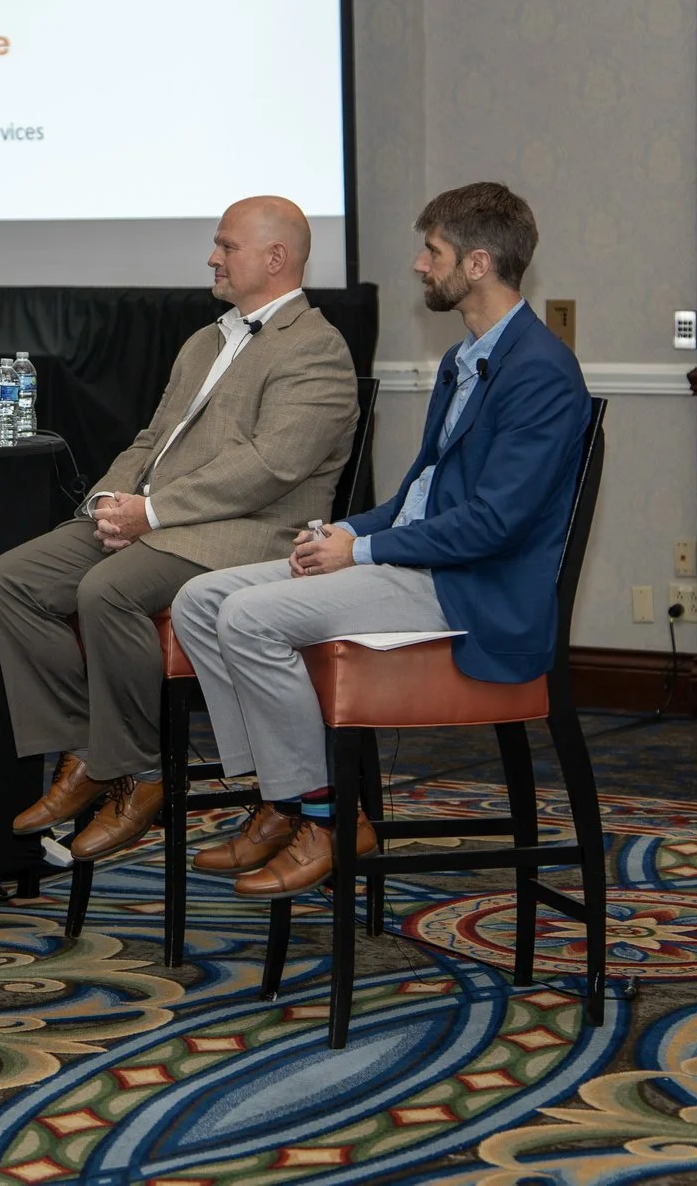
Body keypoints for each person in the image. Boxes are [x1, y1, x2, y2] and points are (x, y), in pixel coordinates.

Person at [171, 182, 589, 897]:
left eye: (434, 252)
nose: (420, 265)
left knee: (247, 617)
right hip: (422, 564)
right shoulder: (466, 358)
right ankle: (283, 798)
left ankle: (326, 815)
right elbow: (420, 498)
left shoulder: (541, 371)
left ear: (478, 263)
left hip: (471, 588)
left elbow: (495, 524)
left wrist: (359, 552)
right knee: (199, 600)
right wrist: (351, 528)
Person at [0, 196, 359, 862]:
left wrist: (151, 513)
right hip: (163, 521)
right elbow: (152, 439)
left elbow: (269, 468)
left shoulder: (316, 348)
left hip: (248, 534)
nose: (213, 258)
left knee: (108, 589)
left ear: (275, 257)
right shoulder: (204, 341)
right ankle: (90, 752)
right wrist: (110, 501)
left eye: (227, 245)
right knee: (12, 580)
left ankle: (143, 772)